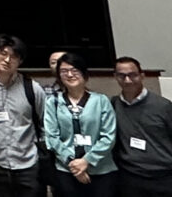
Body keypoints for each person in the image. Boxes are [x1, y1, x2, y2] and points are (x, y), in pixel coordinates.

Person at [0, 34, 47, 197]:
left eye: (14, 56)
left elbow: (45, 124)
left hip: (28, 165)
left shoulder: (32, 88)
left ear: (20, 61)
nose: (7, 60)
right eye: (3, 53)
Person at [45, 53, 117, 197]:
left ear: (84, 73)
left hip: (100, 169)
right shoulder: (53, 102)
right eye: (64, 71)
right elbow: (52, 137)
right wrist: (73, 164)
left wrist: (87, 161)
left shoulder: (101, 100)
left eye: (75, 70)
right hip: (66, 170)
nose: (70, 75)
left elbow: (109, 136)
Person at [110, 56, 172, 197]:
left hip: (164, 177)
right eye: (122, 76)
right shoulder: (113, 105)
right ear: (115, 77)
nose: (127, 80)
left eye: (132, 75)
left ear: (142, 76)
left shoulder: (163, 106)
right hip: (131, 177)